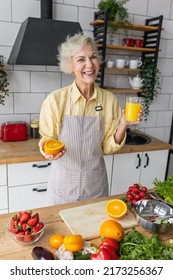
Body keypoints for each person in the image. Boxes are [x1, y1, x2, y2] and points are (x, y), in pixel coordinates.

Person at [39, 33, 142, 205]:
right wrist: (45, 150)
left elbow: (108, 147)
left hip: (96, 186)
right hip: (63, 187)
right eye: (81, 59)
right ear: (70, 66)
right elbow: (47, 139)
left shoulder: (109, 100)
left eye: (93, 57)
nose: (89, 65)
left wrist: (123, 124)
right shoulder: (55, 100)